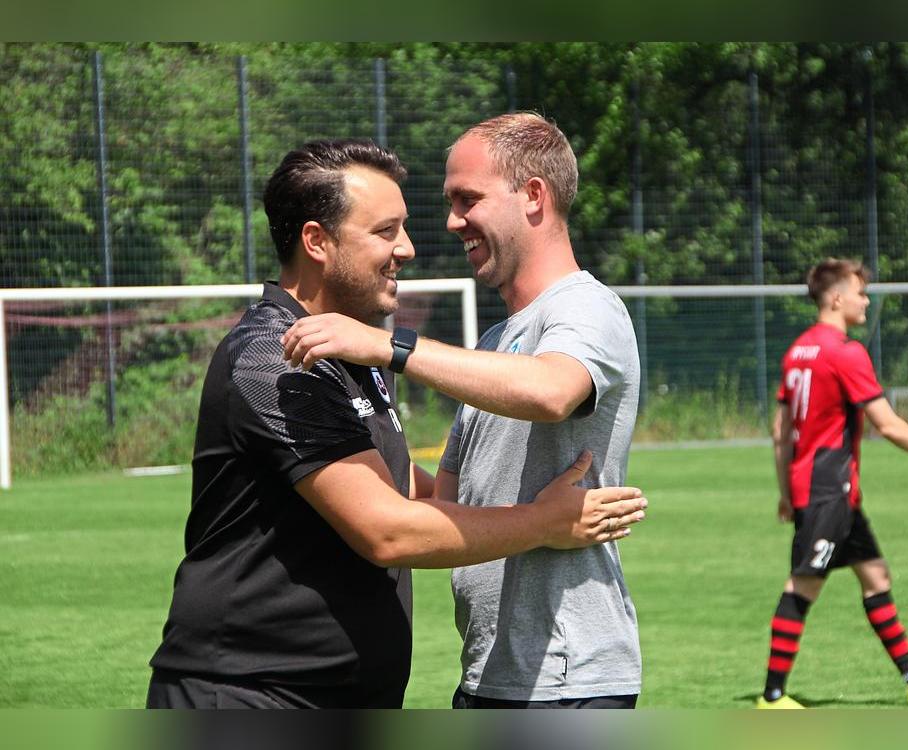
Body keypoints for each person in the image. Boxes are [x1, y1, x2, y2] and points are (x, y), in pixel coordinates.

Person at [146, 138, 648, 709]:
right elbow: (388, 528)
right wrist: (543, 521)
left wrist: (388, 350)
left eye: (466, 200)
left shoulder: (352, 351)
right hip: (252, 695)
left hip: (380, 692)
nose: (409, 247)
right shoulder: (275, 358)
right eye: (386, 231)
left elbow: (416, 489)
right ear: (316, 241)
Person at [282, 113, 642, 708]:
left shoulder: (586, 308)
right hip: (488, 676)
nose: (452, 221)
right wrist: (325, 463)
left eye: (467, 199)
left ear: (533, 195)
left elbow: (552, 392)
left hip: (564, 679)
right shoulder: (495, 344)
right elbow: (446, 502)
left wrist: (389, 346)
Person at [756, 258, 908, 709]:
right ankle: (772, 696)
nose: (866, 301)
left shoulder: (798, 351)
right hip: (828, 489)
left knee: (875, 575)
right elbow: (886, 424)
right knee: (803, 585)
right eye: (860, 292)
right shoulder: (845, 352)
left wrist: (785, 491)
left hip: (827, 490)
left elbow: (779, 431)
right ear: (836, 298)